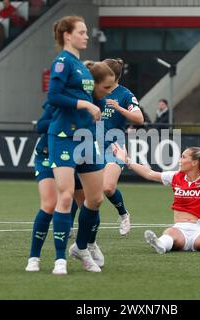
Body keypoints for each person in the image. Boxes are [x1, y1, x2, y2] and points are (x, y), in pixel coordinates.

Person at [45, 16, 112, 275]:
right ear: (67, 35)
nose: (87, 36)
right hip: (63, 137)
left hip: (85, 138)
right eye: (82, 32)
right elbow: (54, 97)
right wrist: (85, 104)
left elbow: (89, 94)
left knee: (95, 199)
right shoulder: (62, 62)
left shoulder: (82, 66)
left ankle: (81, 247)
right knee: (65, 196)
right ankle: (59, 259)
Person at [25, 104, 85, 272]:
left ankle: (87, 246)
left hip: (75, 157)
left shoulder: (89, 103)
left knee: (88, 202)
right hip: (47, 153)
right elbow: (41, 126)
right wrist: (60, 123)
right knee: (50, 204)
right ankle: (35, 258)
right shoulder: (58, 101)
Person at [98, 58, 144, 236]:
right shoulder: (95, 91)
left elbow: (139, 119)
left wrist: (119, 108)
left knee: (108, 188)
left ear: (111, 75)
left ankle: (123, 214)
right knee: (80, 188)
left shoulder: (125, 94)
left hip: (114, 146)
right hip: (91, 145)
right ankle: (70, 224)